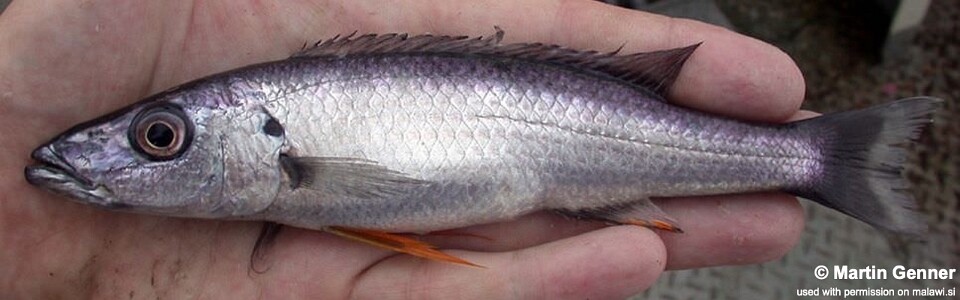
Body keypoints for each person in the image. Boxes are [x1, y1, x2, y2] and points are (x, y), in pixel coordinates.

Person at [0, 0, 808, 298]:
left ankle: (810, 159)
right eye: (160, 137)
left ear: (270, 143)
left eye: (159, 137)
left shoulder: (292, 175)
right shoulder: (278, 176)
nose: (137, 152)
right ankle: (810, 161)